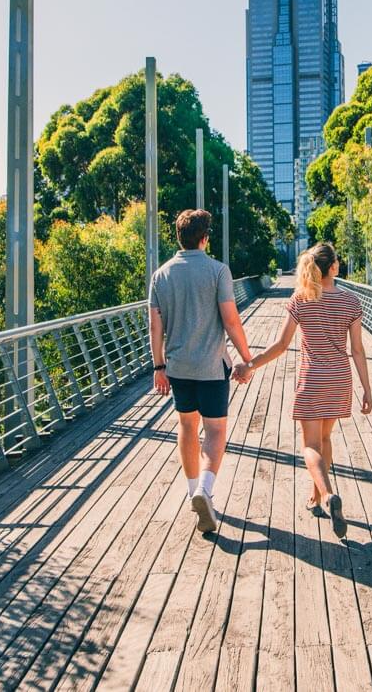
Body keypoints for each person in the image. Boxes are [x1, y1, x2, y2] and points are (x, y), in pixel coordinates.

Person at [233, 242, 372, 540]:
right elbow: (358, 351)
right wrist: (367, 390)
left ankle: (328, 495)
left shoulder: (302, 299)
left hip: (312, 379)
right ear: (334, 267)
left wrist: (250, 365)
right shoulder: (351, 302)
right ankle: (317, 497)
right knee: (324, 439)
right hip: (339, 379)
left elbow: (282, 345)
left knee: (310, 446)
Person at [149, 209, 254, 534]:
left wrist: (158, 365)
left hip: (178, 367)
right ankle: (204, 490)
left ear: (178, 238)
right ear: (205, 238)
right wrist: (246, 358)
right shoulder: (217, 271)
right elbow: (231, 320)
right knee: (216, 430)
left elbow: (155, 326)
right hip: (211, 365)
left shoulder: (161, 275)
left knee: (186, 425)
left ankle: (191, 488)